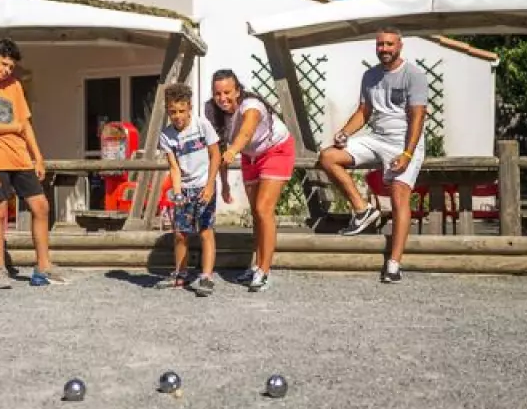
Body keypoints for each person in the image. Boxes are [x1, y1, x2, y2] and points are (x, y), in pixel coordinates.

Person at [318, 27, 428, 284]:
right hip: (376, 138)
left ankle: (394, 263)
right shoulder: (370, 75)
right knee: (328, 157)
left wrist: (407, 153)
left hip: (403, 141)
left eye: (389, 44)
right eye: (380, 45)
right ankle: (363, 209)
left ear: (400, 46)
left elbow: (418, 116)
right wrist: (344, 133)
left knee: (399, 196)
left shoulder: (414, 75)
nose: (384, 49)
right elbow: (364, 111)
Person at [0, 38, 66, 289]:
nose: (7, 70)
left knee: (40, 206)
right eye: (4, 64)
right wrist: (13, 127)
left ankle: (43, 265)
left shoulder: (15, 86)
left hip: (20, 157)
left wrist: (38, 156)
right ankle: (0, 269)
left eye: (11, 66)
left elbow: (26, 124)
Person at [207, 69, 296, 292]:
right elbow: (219, 149)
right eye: (218, 93)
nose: (222, 98)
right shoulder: (213, 111)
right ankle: (256, 265)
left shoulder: (252, 106)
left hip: (275, 150)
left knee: (264, 209)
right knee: (256, 213)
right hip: (250, 156)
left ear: (238, 91)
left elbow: (246, 132)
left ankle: (264, 271)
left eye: (227, 92)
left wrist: (233, 150)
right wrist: (225, 184)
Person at [155, 83, 221, 297]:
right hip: (184, 187)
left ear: (189, 108)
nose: (177, 116)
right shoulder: (166, 135)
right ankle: (181, 273)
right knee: (180, 233)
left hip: (204, 185)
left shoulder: (202, 125)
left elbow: (216, 155)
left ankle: (206, 276)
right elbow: (174, 167)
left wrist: (210, 184)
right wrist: (177, 193)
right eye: (172, 112)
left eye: (181, 111)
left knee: (205, 231)